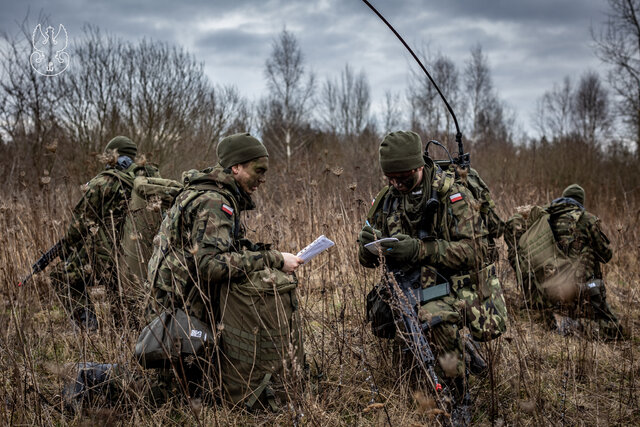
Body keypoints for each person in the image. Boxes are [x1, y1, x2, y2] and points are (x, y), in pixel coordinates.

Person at [143, 132, 305, 409]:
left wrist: (259, 251)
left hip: (177, 302)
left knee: (185, 392)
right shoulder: (215, 202)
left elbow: (222, 247)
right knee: (170, 398)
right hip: (181, 310)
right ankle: (92, 384)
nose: (262, 179)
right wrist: (274, 259)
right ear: (236, 168)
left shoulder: (209, 192)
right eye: (258, 170)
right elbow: (210, 265)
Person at [358, 131, 507, 421]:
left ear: (418, 167)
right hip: (405, 282)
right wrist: (367, 248)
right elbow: (365, 256)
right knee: (380, 317)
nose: (396, 185)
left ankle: (459, 393)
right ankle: (449, 355)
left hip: (452, 282)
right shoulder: (387, 199)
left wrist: (419, 250)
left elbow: (475, 251)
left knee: (434, 317)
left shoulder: (451, 195)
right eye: (390, 178)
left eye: (402, 178)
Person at [50, 136, 159, 330]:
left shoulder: (104, 182)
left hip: (109, 257)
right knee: (125, 309)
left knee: (62, 276)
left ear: (113, 156)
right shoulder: (151, 179)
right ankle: (130, 335)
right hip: (145, 257)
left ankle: (88, 328)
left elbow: (79, 225)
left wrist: (66, 248)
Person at [505, 184, 624, 339]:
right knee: (616, 331)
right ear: (581, 201)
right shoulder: (586, 219)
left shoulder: (543, 217)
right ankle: (580, 327)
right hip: (578, 289)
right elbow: (606, 255)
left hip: (545, 288)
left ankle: (555, 324)